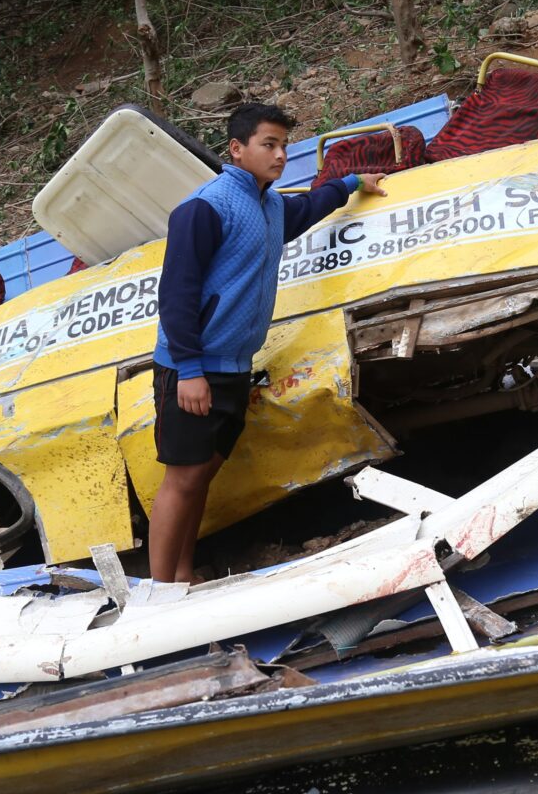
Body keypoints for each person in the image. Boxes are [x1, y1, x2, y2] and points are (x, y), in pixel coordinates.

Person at [147, 101, 388, 583]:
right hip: (191, 368)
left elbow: (309, 207)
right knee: (182, 479)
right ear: (237, 150)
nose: (280, 155)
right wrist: (190, 369)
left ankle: (182, 575)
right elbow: (176, 293)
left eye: (284, 145)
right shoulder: (204, 208)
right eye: (268, 144)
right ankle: (159, 593)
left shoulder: (271, 205)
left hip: (234, 366)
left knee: (201, 479)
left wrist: (351, 184)